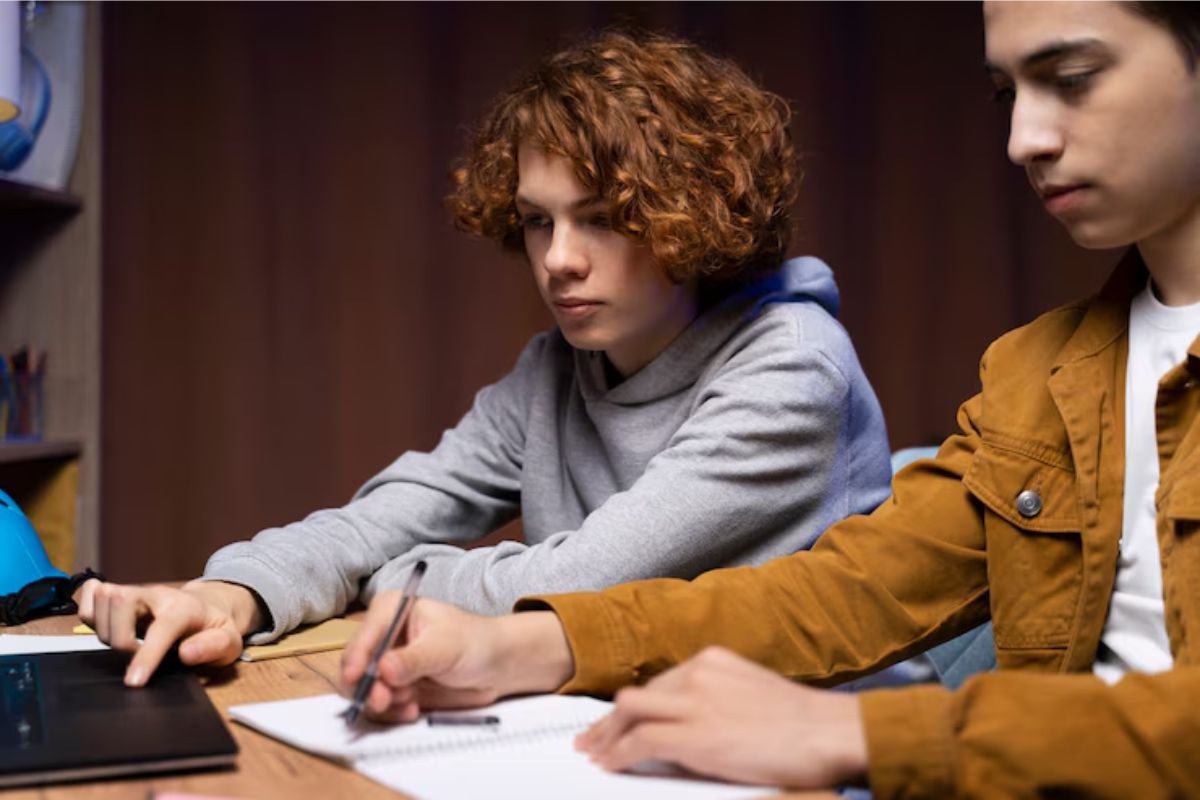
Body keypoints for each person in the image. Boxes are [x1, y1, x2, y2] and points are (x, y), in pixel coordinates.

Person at [332, 2, 1200, 796]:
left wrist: (858, 730)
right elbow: (849, 590)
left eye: (1073, 79)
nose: (1022, 137)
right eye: (1007, 91)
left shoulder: (787, 359)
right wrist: (519, 644)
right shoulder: (1047, 368)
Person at [78, 32, 894, 689]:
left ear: (694, 216)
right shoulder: (556, 368)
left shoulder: (791, 367)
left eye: (602, 219)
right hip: (623, 720)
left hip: (814, 757)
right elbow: (390, 513)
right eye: (539, 222)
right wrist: (235, 592)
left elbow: (584, 584)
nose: (558, 261)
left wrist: (386, 579)